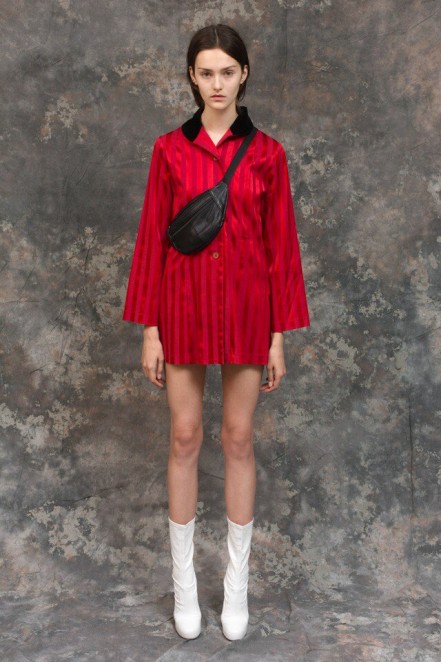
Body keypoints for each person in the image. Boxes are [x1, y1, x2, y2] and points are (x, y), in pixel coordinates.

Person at [122, 23, 310, 641]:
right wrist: (150, 328)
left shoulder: (269, 154)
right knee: (184, 436)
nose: (217, 84)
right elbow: (152, 239)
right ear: (192, 78)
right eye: (206, 73)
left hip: (250, 311)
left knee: (237, 438)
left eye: (227, 72)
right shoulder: (168, 150)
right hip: (180, 307)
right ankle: (184, 589)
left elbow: (281, 247)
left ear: (244, 74)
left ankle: (236, 590)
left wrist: (278, 335)